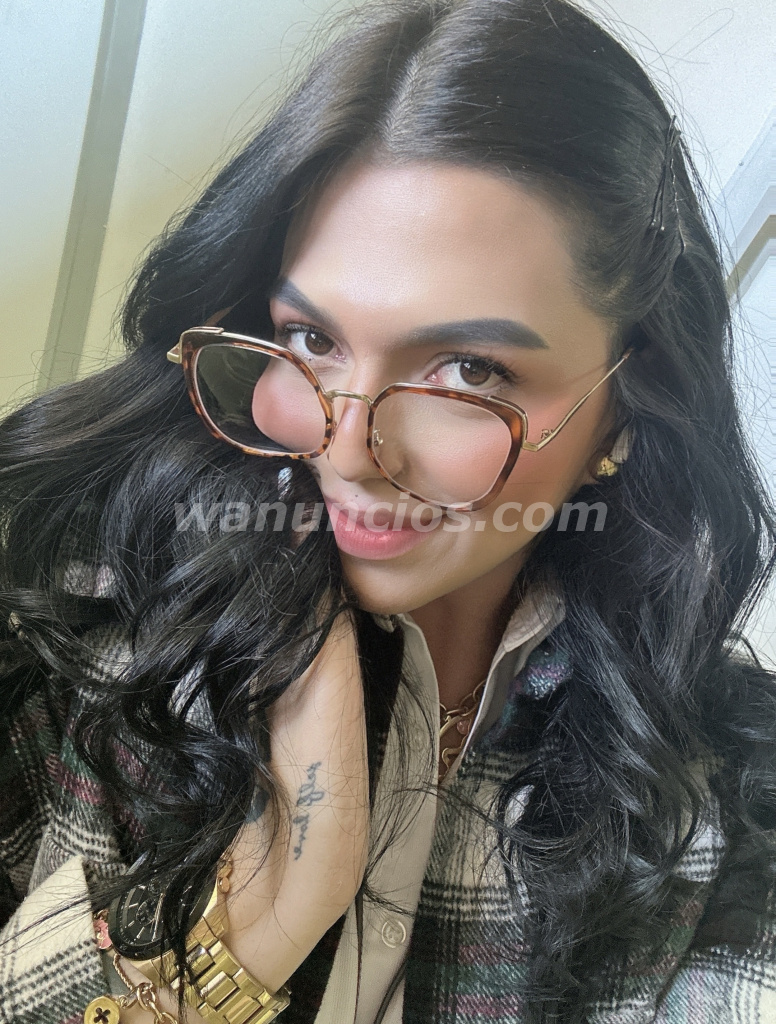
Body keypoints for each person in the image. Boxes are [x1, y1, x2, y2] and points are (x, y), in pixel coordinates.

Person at [1, 0, 775, 1022]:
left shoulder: (720, 796)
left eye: (469, 369)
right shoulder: (65, 633)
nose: (346, 449)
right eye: (311, 339)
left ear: (630, 404)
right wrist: (250, 933)